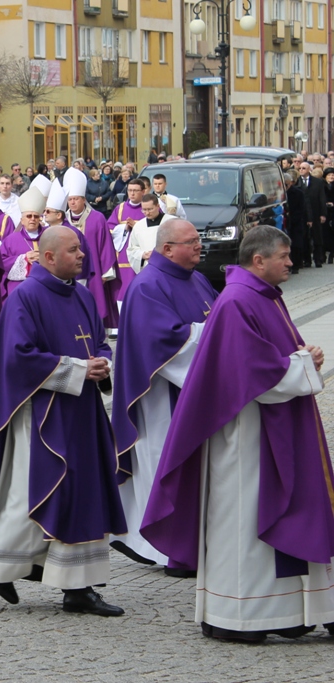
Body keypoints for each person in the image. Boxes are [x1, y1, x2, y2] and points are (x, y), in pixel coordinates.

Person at [142, 226, 334, 643]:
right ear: (258, 260)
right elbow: (251, 372)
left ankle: (286, 611)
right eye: (283, 256)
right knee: (244, 517)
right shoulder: (238, 301)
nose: (291, 262)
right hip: (244, 434)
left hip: (271, 426)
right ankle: (239, 615)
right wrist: (302, 364)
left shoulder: (263, 295)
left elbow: (270, 357)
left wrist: (301, 358)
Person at [0, 225, 127, 617]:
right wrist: (78, 369)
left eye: (81, 249)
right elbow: (17, 357)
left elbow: (99, 342)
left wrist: (102, 363)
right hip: (42, 415)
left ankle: (78, 586)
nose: (82, 255)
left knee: (82, 493)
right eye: (73, 250)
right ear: (49, 257)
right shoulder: (25, 297)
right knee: (38, 492)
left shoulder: (83, 295)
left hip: (83, 411)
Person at [110, 220, 217, 574]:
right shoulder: (147, 286)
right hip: (161, 401)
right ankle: (168, 549)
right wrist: (219, 333)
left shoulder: (196, 278)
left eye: (199, 239)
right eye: (191, 241)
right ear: (167, 249)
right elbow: (164, 342)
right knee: (167, 469)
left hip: (194, 396)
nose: (199, 246)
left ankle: (193, 544)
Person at [63, 168, 115, 326]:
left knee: (93, 304)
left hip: (93, 270)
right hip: (68, 271)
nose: (73, 202)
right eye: (70, 199)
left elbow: (105, 245)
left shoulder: (97, 218)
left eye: (76, 199)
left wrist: (106, 272)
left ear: (84, 200)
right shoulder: (63, 220)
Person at [104, 178, 146, 332]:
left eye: (135, 190)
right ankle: (121, 323)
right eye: (130, 190)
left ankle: (141, 321)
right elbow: (110, 228)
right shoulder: (120, 208)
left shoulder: (148, 207)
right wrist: (124, 227)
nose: (132, 193)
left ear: (143, 192)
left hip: (143, 255)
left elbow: (157, 227)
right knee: (122, 288)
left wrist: (138, 226)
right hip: (123, 256)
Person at [126, 194, 176, 274]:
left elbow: (181, 244)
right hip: (148, 269)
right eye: (144, 210)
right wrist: (143, 255)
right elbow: (132, 249)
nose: (147, 213)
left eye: (150, 209)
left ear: (158, 206)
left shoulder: (173, 222)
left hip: (169, 267)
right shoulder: (138, 226)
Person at [297, 162, 326, 268]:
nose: (301, 170)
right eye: (300, 168)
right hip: (303, 214)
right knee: (305, 237)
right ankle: (307, 260)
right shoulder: (297, 182)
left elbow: (322, 198)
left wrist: (323, 214)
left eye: (304, 168)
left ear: (309, 169)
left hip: (316, 212)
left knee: (317, 237)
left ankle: (318, 259)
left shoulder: (317, 182)